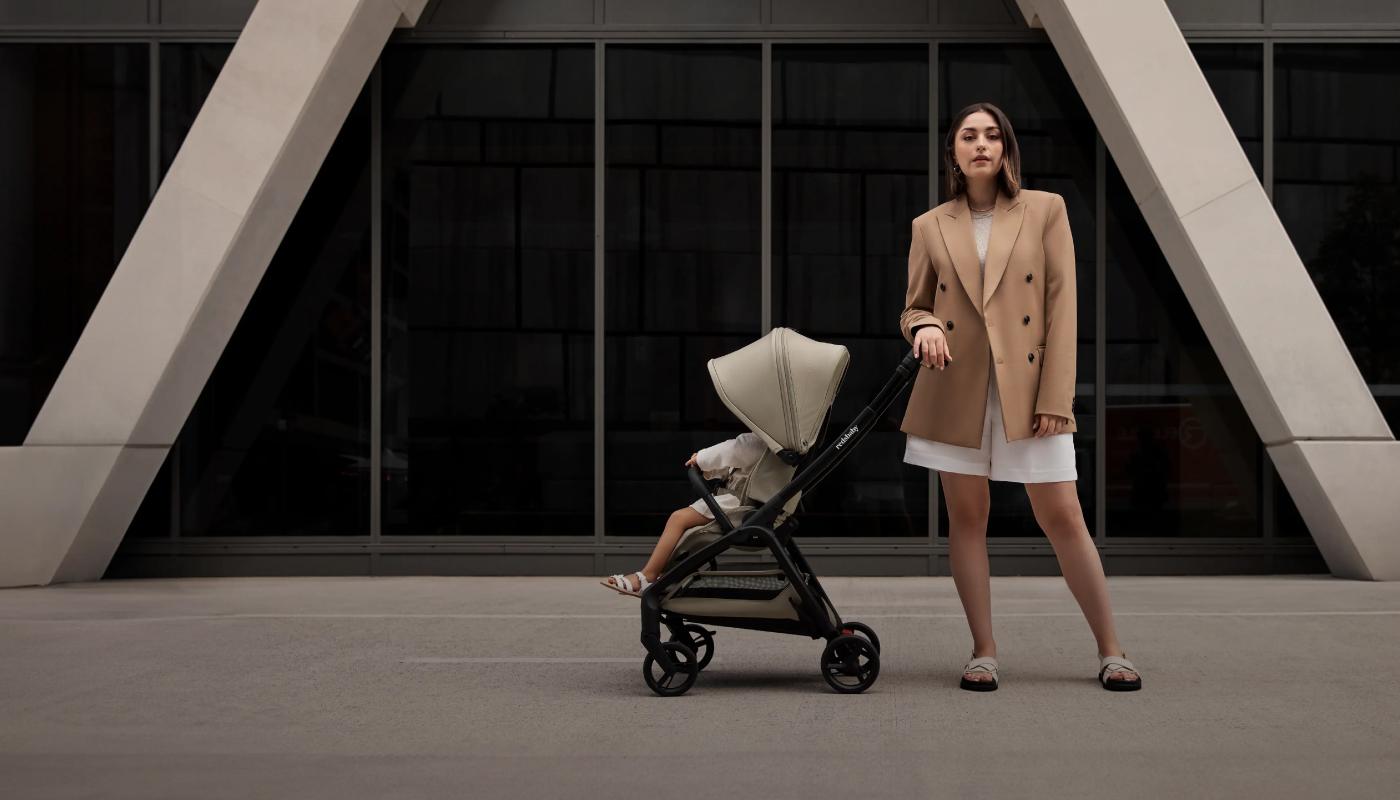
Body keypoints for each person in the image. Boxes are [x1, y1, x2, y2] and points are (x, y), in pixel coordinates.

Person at [899, 101, 1142, 692]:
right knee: (967, 518)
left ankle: (1112, 650)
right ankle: (983, 651)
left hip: (1030, 389)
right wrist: (923, 326)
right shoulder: (930, 225)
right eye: (967, 136)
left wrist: (1056, 395)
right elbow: (914, 306)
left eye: (990, 135)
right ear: (953, 151)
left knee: (1062, 515)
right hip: (955, 388)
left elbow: (1063, 307)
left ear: (1005, 147)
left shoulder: (1045, 210)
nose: (980, 144)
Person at [601, 432, 766, 596]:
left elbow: (733, 450)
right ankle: (665, 576)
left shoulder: (757, 441)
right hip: (746, 505)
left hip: (737, 506)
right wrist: (707, 466)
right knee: (684, 528)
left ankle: (648, 575)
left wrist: (701, 458)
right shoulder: (773, 446)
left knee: (678, 519)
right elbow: (735, 462)